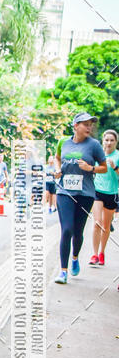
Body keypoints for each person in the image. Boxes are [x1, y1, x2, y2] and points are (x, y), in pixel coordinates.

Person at [53, 112, 106, 284]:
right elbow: (57, 157)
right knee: (66, 229)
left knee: (77, 232)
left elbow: (104, 168)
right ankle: (63, 271)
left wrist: (90, 168)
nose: (89, 127)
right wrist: (57, 169)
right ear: (76, 126)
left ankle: (75, 257)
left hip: (85, 194)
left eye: (91, 124)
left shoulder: (94, 145)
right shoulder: (64, 142)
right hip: (64, 191)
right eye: (85, 124)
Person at [90, 128, 119, 266]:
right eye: (106, 140)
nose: (109, 143)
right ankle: (94, 255)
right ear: (103, 141)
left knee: (106, 226)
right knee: (97, 222)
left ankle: (102, 252)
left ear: (116, 142)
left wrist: (115, 168)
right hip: (97, 191)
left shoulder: (118, 155)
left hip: (112, 193)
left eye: (112, 140)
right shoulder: (98, 155)